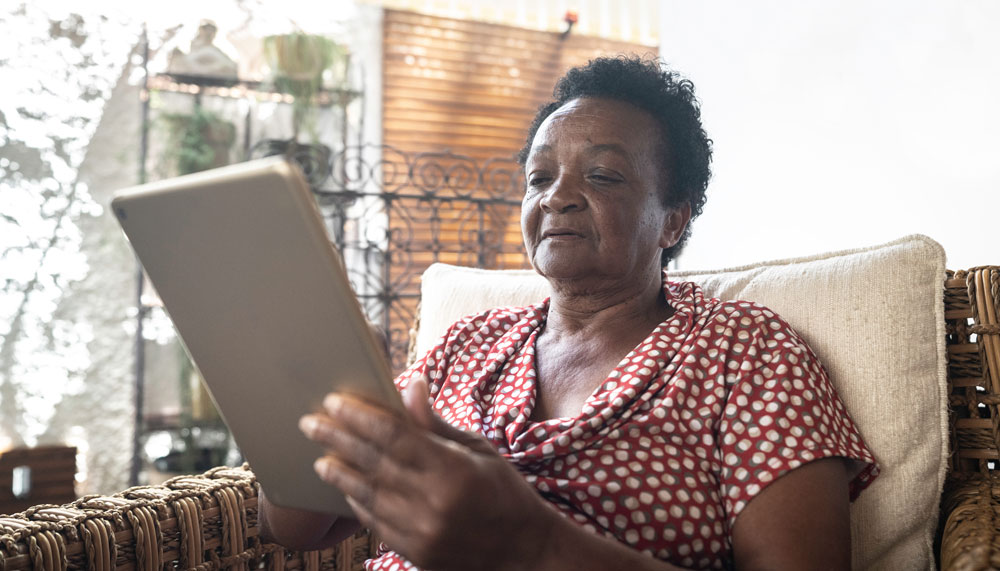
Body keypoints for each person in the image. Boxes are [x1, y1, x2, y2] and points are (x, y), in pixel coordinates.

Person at [259, 56, 878, 570]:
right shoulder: (462, 347)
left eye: (604, 176)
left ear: (673, 218)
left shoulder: (746, 352)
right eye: (539, 176)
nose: (556, 195)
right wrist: (304, 394)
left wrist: (531, 543)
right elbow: (296, 526)